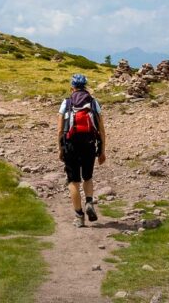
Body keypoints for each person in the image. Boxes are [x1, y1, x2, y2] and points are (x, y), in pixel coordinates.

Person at [57, 73, 107, 227]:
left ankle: (79, 216)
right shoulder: (93, 102)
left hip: (71, 145)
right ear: (85, 86)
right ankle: (89, 202)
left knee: (73, 181)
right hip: (89, 144)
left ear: (72, 87)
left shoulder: (67, 103)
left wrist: (60, 149)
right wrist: (102, 151)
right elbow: (102, 130)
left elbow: (60, 130)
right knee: (88, 177)